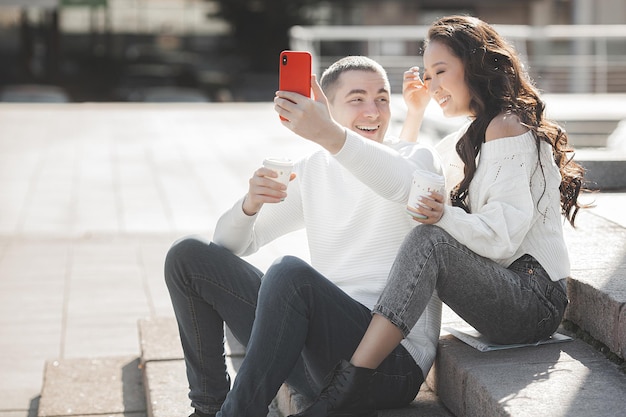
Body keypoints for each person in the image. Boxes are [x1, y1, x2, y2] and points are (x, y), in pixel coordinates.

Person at [292, 15, 591, 417]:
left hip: (534, 299)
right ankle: (355, 376)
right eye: (427, 76)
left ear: (474, 65)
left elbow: (500, 239)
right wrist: (412, 115)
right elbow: (408, 183)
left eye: (440, 72)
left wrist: (443, 218)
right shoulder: (465, 140)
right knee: (424, 232)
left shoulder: (508, 128)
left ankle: (351, 381)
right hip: (502, 291)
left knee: (428, 239)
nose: (431, 87)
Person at [164, 55, 444, 417]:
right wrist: (249, 205)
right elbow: (230, 247)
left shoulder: (415, 156)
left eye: (383, 99)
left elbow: (402, 185)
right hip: (317, 362)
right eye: (357, 99)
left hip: (388, 367)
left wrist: (334, 136)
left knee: (290, 274)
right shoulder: (313, 169)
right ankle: (208, 407)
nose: (373, 111)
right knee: (188, 256)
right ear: (326, 106)